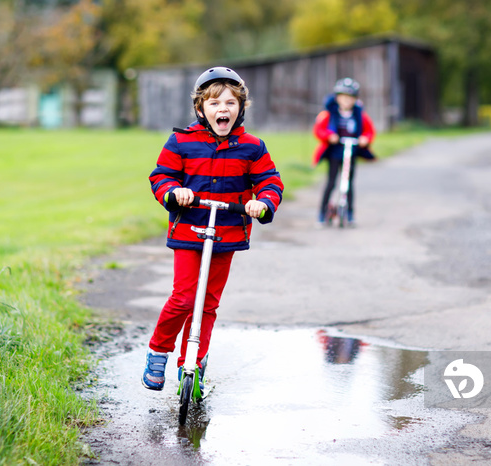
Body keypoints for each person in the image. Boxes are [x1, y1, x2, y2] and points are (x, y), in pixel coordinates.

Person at [143, 67, 284, 391]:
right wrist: (173, 191)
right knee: (184, 297)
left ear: (241, 108)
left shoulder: (252, 147)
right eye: (215, 103)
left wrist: (262, 202)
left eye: (231, 103)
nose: (224, 109)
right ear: (200, 109)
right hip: (190, 228)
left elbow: (269, 181)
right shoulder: (182, 141)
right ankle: (158, 350)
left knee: (207, 303)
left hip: (228, 231)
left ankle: (193, 362)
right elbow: (161, 175)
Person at [312, 78, 376, 226]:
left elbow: (369, 131)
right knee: (331, 182)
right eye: (343, 97)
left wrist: (365, 139)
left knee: (349, 183)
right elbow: (319, 130)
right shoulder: (329, 114)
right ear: (337, 98)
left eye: (350, 97)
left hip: (351, 152)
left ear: (355, 99)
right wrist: (329, 136)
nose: (346, 100)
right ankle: (322, 213)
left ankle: (350, 213)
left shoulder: (359, 115)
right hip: (334, 153)